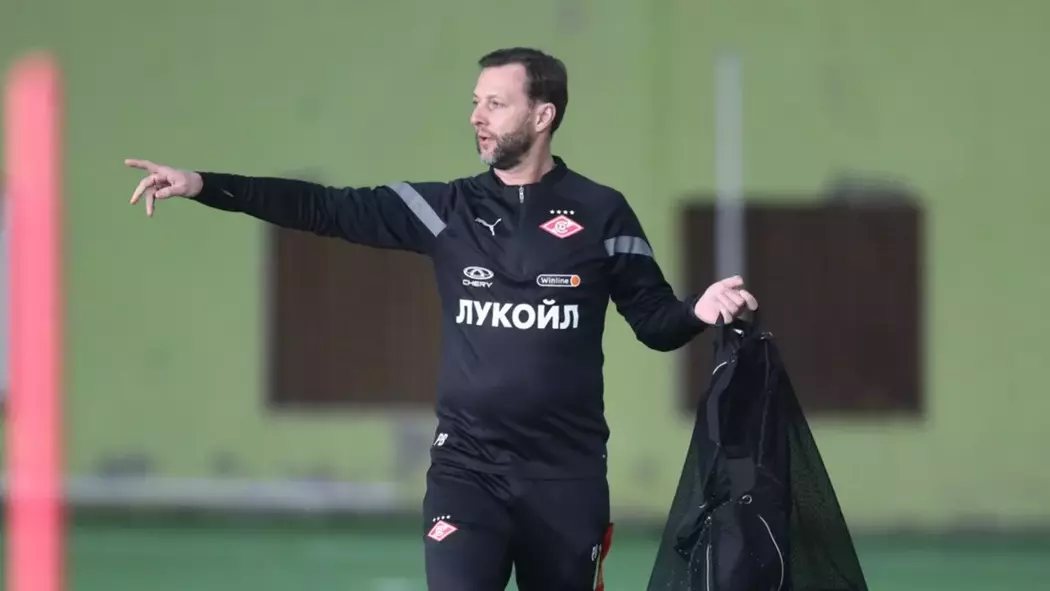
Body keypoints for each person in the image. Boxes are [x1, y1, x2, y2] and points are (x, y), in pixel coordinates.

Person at [125, 47, 758, 591]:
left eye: (495, 104)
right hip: (467, 470)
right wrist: (203, 184)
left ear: (543, 116)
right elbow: (324, 207)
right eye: (475, 103)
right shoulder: (448, 209)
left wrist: (697, 311)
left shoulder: (601, 212)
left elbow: (654, 323)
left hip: (567, 477)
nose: (477, 117)